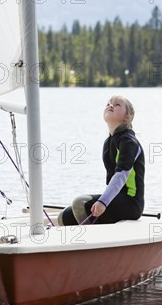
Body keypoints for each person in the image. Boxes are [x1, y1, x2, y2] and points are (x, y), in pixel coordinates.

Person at [58, 95, 145, 225]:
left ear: (128, 117)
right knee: (65, 216)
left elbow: (122, 175)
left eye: (117, 105)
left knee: (80, 203)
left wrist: (103, 202)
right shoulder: (108, 142)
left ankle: (89, 240)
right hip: (115, 200)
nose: (111, 105)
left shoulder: (128, 142)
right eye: (109, 103)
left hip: (131, 203)